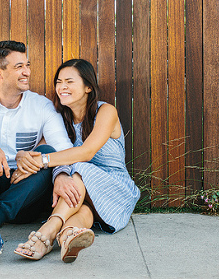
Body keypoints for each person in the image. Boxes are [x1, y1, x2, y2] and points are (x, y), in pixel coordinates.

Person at [0, 40, 75, 263]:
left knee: (46, 153)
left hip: (24, 195)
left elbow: (63, 148)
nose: (27, 72)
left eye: (27, 65)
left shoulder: (41, 105)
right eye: (19, 67)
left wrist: (61, 175)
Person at [11, 58, 140, 263]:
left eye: (69, 81)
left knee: (79, 167)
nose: (62, 87)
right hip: (81, 192)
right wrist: (25, 159)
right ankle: (69, 234)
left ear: (88, 86)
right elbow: (41, 150)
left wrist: (43, 161)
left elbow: (86, 152)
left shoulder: (105, 111)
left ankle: (47, 232)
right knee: (83, 212)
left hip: (114, 187)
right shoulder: (61, 119)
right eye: (59, 82)